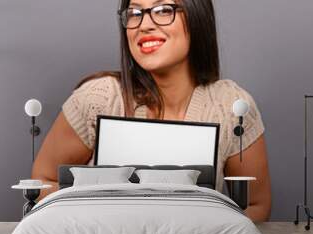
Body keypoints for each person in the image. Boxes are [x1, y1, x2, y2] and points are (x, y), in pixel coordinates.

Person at [31, 0, 271, 222]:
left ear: (197, 15)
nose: (144, 25)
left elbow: (256, 205)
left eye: (163, 10)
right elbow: (41, 184)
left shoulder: (232, 105)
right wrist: (100, 203)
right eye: (134, 13)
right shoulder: (99, 98)